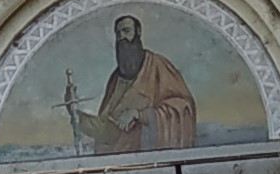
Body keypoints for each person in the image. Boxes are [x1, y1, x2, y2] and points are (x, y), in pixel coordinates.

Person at [64, 13, 199, 155]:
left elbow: (183, 107)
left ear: (138, 32)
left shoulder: (158, 66)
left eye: (126, 31)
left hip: (150, 161)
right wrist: (73, 111)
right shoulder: (115, 78)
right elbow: (107, 130)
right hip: (117, 164)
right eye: (118, 33)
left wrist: (140, 115)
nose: (121, 37)